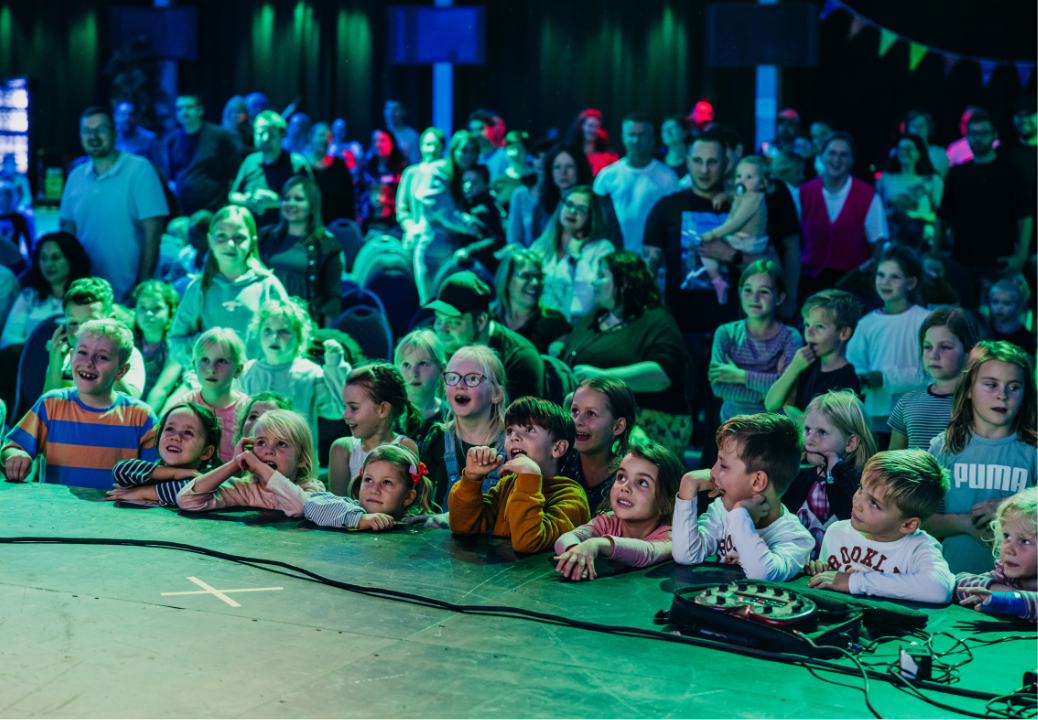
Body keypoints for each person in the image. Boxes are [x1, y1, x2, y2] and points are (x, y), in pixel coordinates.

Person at [642, 133, 778, 336]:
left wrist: (731, 255)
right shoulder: (667, 207)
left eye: (712, 162)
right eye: (698, 161)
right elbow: (648, 267)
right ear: (688, 162)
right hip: (680, 329)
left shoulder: (747, 204)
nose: (704, 170)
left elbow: (773, 269)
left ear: (726, 163)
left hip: (737, 328)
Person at [561, 251, 692, 456]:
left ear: (623, 283)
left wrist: (601, 378)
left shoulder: (656, 321)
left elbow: (663, 375)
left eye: (601, 275)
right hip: (589, 425)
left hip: (644, 428)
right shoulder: (592, 319)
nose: (594, 282)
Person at [2, 319, 158, 488]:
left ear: (121, 371)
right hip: (55, 504)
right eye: (82, 352)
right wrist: (16, 456)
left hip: (116, 505)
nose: (88, 362)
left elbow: (155, 474)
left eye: (102, 357)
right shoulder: (51, 403)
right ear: (71, 357)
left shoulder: (141, 416)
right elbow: (12, 447)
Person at [927, 341, 1037, 574]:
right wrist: (965, 523)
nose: (1002, 396)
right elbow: (916, 519)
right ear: (969, 389)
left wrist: (1009, 509)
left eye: (1013, 387)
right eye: (991, 384)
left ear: (1025, 394)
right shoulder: (944, 446)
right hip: (954, 580)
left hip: (1019, 587)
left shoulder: (1033, 450)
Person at [673, 413, 815, 580]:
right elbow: (687, 554)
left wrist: (740, 515)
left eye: (723, 465)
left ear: (757, 481)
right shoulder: (721, 510)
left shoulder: (795, 538)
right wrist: (687, 485)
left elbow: (762, 575)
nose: (712, 472)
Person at [804, 450, 954, 604]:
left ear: (908, 524)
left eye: (874, 503)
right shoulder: (836, 532)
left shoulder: (919, 548)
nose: (857, 502)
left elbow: (939, 589)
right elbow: (828, 588)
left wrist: (854, 581)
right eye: (861, 488)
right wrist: (820, 572)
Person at [448, 397, 590, 553]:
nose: (514, 437)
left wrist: (530, 478)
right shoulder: (507, 485)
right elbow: (463, 528)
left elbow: (528, 543)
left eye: (530, 429)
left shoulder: (572, 497)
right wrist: (471, 478)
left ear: (558, 448)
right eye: (510, 431)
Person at [59, 106, 168, 302]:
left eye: (101, 129)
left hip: (131, 295)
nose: (93, 136)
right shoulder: (76, 177)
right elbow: (68, 233)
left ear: (115, 133)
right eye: (87, 131)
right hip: (88, 297)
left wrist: (141, 286)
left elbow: (154, 231)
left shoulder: (140, 169)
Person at [168, 206, 290, 370]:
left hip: (256, 381)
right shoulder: (199, 288)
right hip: (209, 380)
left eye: (239, 237)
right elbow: (177, 342)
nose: (230, 244)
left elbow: (288, 336)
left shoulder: (267, 285)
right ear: (210, 240)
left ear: (252, 242)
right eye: (221, 236)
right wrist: (208, 349)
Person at [936, 109, 1033, 304]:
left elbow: (1024, 215)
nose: (978, 138)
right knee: (964, 314)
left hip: (1000, 259)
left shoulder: (1011, 171)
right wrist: (935, 251)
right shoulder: (958, 173)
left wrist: (1021, 255)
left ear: (995, 135)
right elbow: (943, 216)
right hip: (962, 259)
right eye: (973, 133)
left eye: (984, 133)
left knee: (999, 313)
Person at [554, 442, 680, 580]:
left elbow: (647, 552)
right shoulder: (607, 521)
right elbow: (565, 539)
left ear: (667, 504)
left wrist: (597, 544)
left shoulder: (672, 536)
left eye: (642, 482)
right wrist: (577, 553)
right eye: (621, 477)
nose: (625, 487)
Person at [846, 246, 930, 446]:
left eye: (895, 277)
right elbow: (854, 364)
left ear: (911, 282)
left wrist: (885, 378)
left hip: (916, 418)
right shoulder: (867, 323)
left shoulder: (925, 320)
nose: (885, 282)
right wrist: (862, 378)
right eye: (881, 275)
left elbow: (929, 374)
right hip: (875, 418)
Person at [239, 299, 349, 446]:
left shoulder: (310, 374)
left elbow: (339, 409)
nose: (274, 337)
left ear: (299, 337)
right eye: (267, 329)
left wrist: (334, 366)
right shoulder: (247, 372)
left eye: (283, 331)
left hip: (296, 457)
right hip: (252, 455)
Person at [793, 132, 888, 301]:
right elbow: (791, 242)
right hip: (808, 283)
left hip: (852, 286)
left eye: (843, 155)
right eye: (831, 153)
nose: (837, 160)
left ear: (852, 160)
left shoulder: (868, 196)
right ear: (821, 156)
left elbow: (878, 245)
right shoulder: (802, 193)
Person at [176, 409, 324, 514]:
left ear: (302, 459)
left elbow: (301, 508)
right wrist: (234, 464)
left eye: (282, 444)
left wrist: (260, 466)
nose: (269, 450)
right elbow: (186, 500)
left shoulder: (310, 488)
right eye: (261, 443)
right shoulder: (244, 489)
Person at [428, 271, 545, 402]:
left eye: (454, 322)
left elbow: (518, 416)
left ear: (481, 321)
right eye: (438, 320)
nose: (442, 330)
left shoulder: (519, 359)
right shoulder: (441, 349)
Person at [783, 390, 875, 557]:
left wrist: (838, 470)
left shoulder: (859, 482)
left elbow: (868, 500)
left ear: (851, 442)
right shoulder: (798, 475)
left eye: (822, 432)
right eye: (807, 429)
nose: (809, 440)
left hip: (840, 569)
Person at [709, 261, 803, 422]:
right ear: (740, 293)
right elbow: (719, 387)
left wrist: (740, 376)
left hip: (774, 427)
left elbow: (789, 391)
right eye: (748, 290)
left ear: (779, 298)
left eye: (764, 291)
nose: (755, 298)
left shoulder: (790, 337)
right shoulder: (726, 333)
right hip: (734, 427)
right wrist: (773, 391)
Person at [420, 345, 508, 508]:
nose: (460, 385)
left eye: (473, 378)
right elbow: (421, 504)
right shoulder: (437, 440)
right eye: (453, 377)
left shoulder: (514, 445)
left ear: (496, 394)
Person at [889, 308, 981, 452]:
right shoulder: (907, 402)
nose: (934, 355)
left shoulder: (980, 403)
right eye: (928, 347)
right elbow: (892, 459)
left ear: (969, 350)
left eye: (945, 347)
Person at [765, 289, 862, 425]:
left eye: (819, 326)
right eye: (807, 324)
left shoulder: (846, 380)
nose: (809, 332)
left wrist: (788, 408)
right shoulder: (805, 364)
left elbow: (814, 426)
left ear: (844, 333)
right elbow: (770, 404)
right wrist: (793, 368)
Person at [43, 277, 147, 400]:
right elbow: (46, 406)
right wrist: (55, 368)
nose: (79, 331)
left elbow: (130, 402)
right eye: (72, 323)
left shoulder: (128, 355)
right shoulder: (65, 358)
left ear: (111, 321)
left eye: (89, 323)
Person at [257, 176, 342, 325]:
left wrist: (324, 333)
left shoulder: (327, 246)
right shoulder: (266, 236)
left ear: (312, 205)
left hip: (303, 325)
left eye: (298, 199)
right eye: (286, 198)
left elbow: (332, 299)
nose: (291, 203)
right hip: (267, 322)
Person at [328, 363, 421, 497]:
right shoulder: (341, 449)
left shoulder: (405, 448)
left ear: (382, 409)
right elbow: (337, 504)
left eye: (354, 408)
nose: (345, 415)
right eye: (345, 407)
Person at [592, 113, 680, 254]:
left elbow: (674, 224)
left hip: (653, 259)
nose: (636, 140)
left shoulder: (668, 178)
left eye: (642, 135)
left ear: (652, 139)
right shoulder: (606, 176)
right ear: (623, 138)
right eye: (631, 134)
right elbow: (596, 221)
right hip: (613, 257)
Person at [302, 445, 438, 532]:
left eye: (387, 482)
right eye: (368, 479)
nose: (374, 489)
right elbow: (311, 504)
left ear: (408, 497)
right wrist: (360, 519)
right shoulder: (351, 508)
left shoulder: (417, 523)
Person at [106, 402, 220, 505]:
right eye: (170, 429)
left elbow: (186, 492)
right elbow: (120, 470)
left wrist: (140, 492)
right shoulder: (153, 471)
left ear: (206, 452)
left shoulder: (206, 479)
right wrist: (175, 473)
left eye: (188, 433)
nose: (175, 437)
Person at [533, 186, 615, 322]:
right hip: (538, 321)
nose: (572, 211)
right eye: (569, 204)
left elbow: (587, 298)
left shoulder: (601, 248)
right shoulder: (542, 245)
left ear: (591, 216)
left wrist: (577, 257)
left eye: (581, 209)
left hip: (576, 324)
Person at [954, 488, 1037, 622]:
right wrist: (997, 590)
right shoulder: (1005, 576)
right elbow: (958, 582)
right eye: (1007, 536)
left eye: (1024, 541)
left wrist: (1008, 598)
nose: (1009, 549)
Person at [699, 157, 771, 304]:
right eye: (739, 176)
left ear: (762, 183)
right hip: (748, 240)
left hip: (748, 242)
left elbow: (736, 221)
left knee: (707, 249)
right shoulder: (747, 195)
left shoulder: (753, 200)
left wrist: (713, 234)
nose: (742, 180)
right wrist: (725, 195)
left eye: (749, 177)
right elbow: (735, 195)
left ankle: (718, 281)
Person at [172, 328, 250, 463]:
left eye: (222, 361)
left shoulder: (248, 409)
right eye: (205, 359)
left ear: (238, 370)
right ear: (194, 365)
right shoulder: (186, 404)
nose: (212, 368)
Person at [1, 232, 89, 350]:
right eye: (43, 258)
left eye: (55, 257)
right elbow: (8, 338)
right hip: (29, 358)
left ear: (71, 259)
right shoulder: (29, 296)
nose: (48, 264)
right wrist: (36, 349)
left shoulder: (88, 298)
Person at [560, 377, 636, 511]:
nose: (578, 421)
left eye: (591, 413)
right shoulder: (559, 462)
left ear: (618, 426)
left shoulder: (629, 481)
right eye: (575, 411)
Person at [229, 110, 313, 228]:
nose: (265, 138)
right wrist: (247, 200)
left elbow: (311, 200)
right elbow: (233, 195)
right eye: (261, 133)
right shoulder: (250, 161)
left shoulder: (297, 164)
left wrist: (276, 201)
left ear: (281, 135)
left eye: (271, 134)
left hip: (285, 234)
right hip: (252, 232)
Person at [164, 94, 241, 216]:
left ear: (200, 110)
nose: (184, 112)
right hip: (184, 213)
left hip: (215, 211)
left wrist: (227, 206)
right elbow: (172, 178)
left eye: (189, 107)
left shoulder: (219, 136)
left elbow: (234, 174)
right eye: (179, 108)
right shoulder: (172, 140)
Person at [491, 247, 572, 356]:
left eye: (539, 277)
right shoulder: (489, 317)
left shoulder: (554, 321)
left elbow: (559, 362)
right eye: (526, 276)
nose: (535, 283)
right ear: (506, 279)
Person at [516, 143, 593, 249]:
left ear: (579, 169)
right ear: (550, 171)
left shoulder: (595, 204)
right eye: (557, 167)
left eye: (569, 166)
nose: (563, 172)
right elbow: (537, 245)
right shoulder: (541, 208)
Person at [876, 133, 943, 243]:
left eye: (908, 149)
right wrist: (892, 213)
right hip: (892, 239)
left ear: (919, 152)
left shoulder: (933, 180)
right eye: (900, 149)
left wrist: (913, 215)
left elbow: (941, 215)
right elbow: (877, 212)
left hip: (923, 240)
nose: (903, 152)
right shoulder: (885, 179)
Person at [130, 280, 182, 411]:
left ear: (170, 311)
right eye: (142, 307)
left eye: (156, 308)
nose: (148, 313)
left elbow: (162, 389)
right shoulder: (130, 341)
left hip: (157, 410)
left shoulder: (174, 346)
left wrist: (144, 418)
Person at [395, 329, 448, 447]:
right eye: (406, 364)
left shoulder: (451, 417)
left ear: (441, 370)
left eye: (422, 363)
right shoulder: (388, 415)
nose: (414, 373)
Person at [397, 127, 445, 246]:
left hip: (442, 238)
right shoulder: (410, 173)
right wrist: (412, 229)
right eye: (428, 144)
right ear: (421, 146)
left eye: (436, 145)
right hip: (415, 238)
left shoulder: (447, 173)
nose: (432, 149)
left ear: (443, 147)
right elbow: (402, 209)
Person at [506, 139, 556, 248]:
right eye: (537, 157)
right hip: (527, 255)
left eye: (546, 157)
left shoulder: (561, 195)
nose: (541, 162)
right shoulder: (520, 194)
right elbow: (513, 239)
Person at [305, 121, 355, 224]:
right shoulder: (302, 165)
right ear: (311, 137)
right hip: (308, 225)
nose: (324, 140)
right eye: (320, 135)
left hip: (336, 225)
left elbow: (349, 199)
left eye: (328, 136)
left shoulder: (339, 165)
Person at [985, 278, 1036, 356]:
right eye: (995, 302)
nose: (1000, 307)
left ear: (1017, 305)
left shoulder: (1026, 338)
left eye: (1006, 303)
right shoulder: (984, 330)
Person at [490, 131, 536, 212]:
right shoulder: (499, 181)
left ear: (527, 150)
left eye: (519, 148)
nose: (515, 153)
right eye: (511, 149)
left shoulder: (537, 178)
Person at [567, 109, 619, 177]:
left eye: (596, 126)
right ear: (581, 126)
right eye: (590, 126)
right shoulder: (571, 154)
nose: (592, 130)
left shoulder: (610, 157)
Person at [113, 100, 163, 169]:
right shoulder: (111, 139)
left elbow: (158, 166)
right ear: (115, 117)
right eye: (123, 114)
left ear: (136, 116)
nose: (127, 118)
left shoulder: (149, 138)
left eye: (130, 114)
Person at [902, 110, 949, 179]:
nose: (917, 129)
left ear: (928, 128)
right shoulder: (899, 152)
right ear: (907, 129)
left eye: (921, 125)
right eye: (914, 126)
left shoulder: (940, 154)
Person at [468, 109, 508, 180]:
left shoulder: (504, 156)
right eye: (473, 130)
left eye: (480, 129)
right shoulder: (471, 157)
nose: (476, 134)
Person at [384, 100, 420, 165]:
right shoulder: (378, 134)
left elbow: (414, 164)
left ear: (404, 111)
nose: (391, 113)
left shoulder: (413, 136)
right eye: (388, 109)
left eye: (395, 109)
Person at [659, 115, 691, 179]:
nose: (667, 132)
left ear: (685, 132)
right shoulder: (658, 161)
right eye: (664, 129)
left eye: (672, 128)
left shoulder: (694, 160)